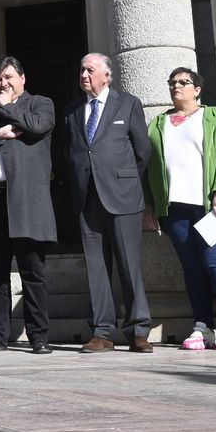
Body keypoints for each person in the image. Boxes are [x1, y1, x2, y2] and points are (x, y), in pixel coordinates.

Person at [146, 67, 216, 352]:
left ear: (197, 89)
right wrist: (151, 204)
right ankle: (203, 327)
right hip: (174, 209)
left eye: (183, 82)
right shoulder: (158, 122)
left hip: (211, 206)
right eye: (172, 82)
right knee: (192, 268)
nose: (177, 86)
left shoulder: (214, 118)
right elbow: (149, 166)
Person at [0, 55, 57, 355]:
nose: (3, 83)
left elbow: (37, 127)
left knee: (32, 272)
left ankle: (38, 336)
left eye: (8, 77)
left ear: (22, 78)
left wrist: (8, 107)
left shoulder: (40, 103)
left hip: (26, 200)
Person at [62, 53, 151, 353]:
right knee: (96, 267)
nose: (84, 75)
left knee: (129, 265)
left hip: (123, 197)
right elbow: (70, 153)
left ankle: (138, 329)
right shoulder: (73, 111)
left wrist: (123, 181)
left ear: (107, 76)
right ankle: (102, 332)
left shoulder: (127, 104)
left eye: (90, 70)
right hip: (87, 199)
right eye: (81, 69)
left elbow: (143, 152)